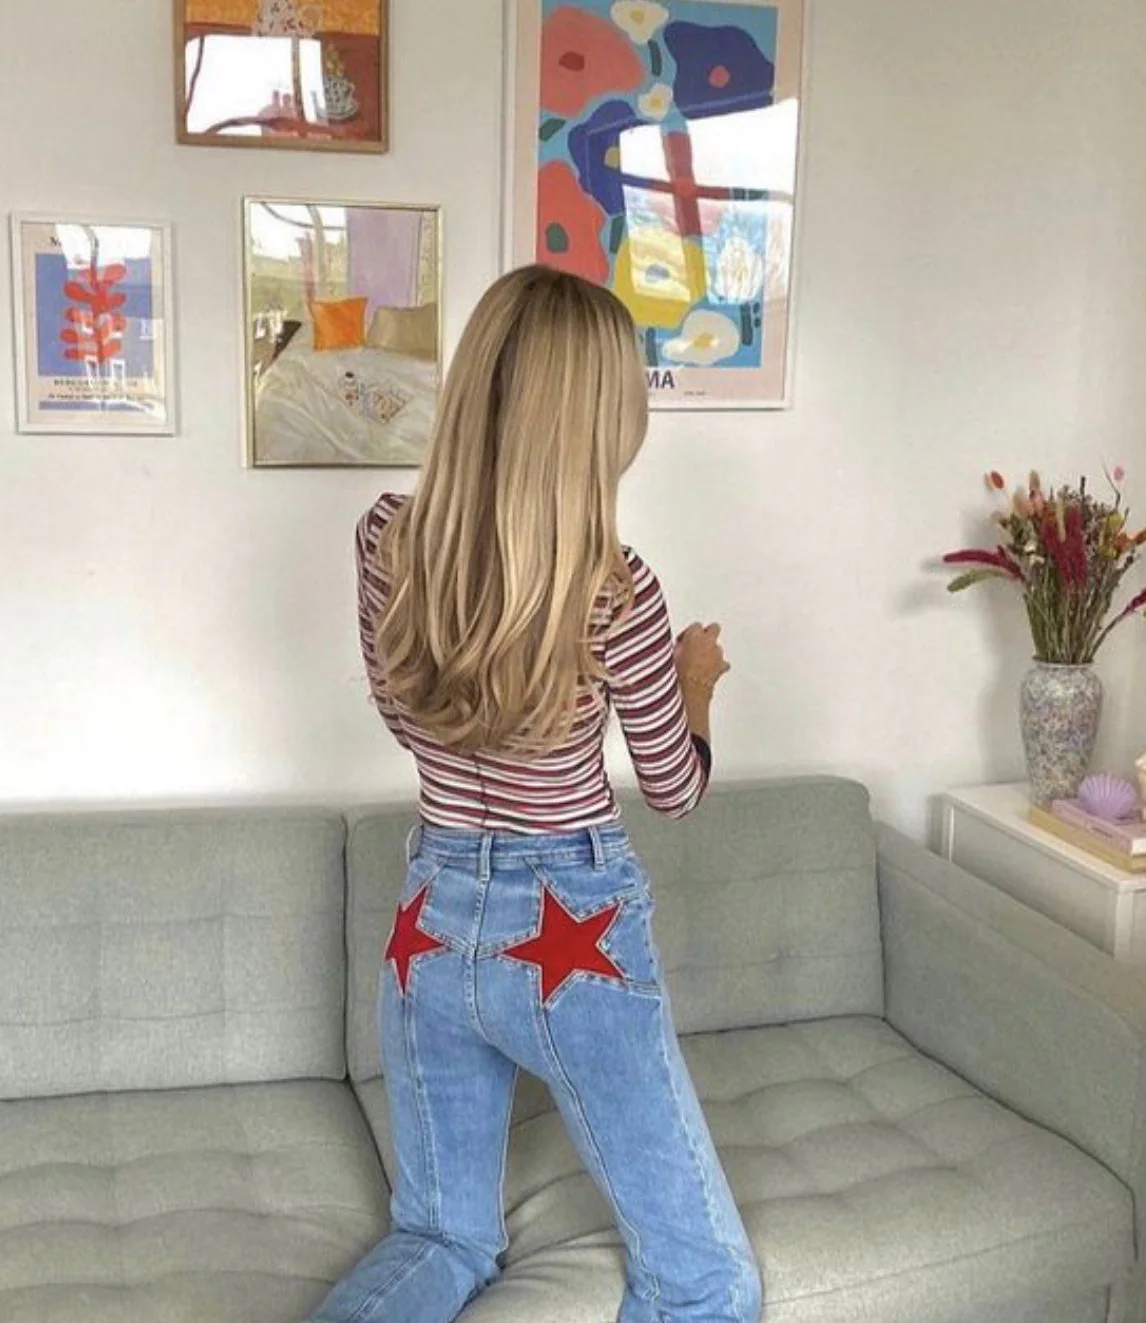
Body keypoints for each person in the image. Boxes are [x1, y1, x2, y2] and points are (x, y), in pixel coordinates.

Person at [309, 266, 761, 1323]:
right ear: (603, 421)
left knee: (441, 1237)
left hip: (431, 920)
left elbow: (405, 716)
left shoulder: (386, 541)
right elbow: (674, 788)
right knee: (706, 1284)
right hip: (572, 932)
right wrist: (694, 682)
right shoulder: (617, 590)